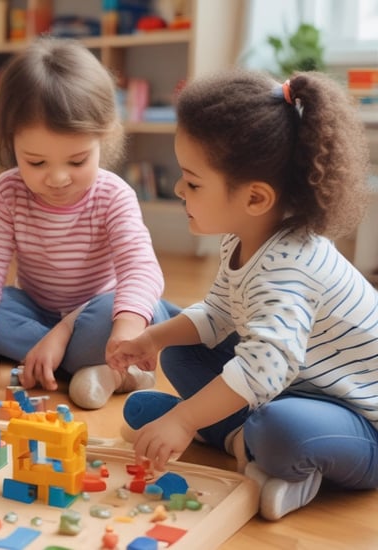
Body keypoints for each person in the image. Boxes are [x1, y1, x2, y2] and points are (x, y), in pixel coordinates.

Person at [108, 69, 378, 520]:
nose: (178, 189)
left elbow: (260, 365)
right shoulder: (244, 237)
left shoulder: (289, 269)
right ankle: (238, 437)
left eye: (193, 183)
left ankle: (260, 446)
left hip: (358, 421)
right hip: (292, 379)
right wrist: (153, 339)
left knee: (280, 429)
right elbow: (218, 313)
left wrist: (183, 419)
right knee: (179, 350)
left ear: (256, 198)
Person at [0, 38, 176, 409]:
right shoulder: (6, 192)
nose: (58, 178)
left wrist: (120, 334)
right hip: (36, 311)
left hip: (97, 316)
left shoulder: (113, 195)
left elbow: (140, 272)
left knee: (145, 312)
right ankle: (96, 368)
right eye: (36, 162)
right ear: (9, 142)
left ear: (103, 137)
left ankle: (99, 359)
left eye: (77, 162)